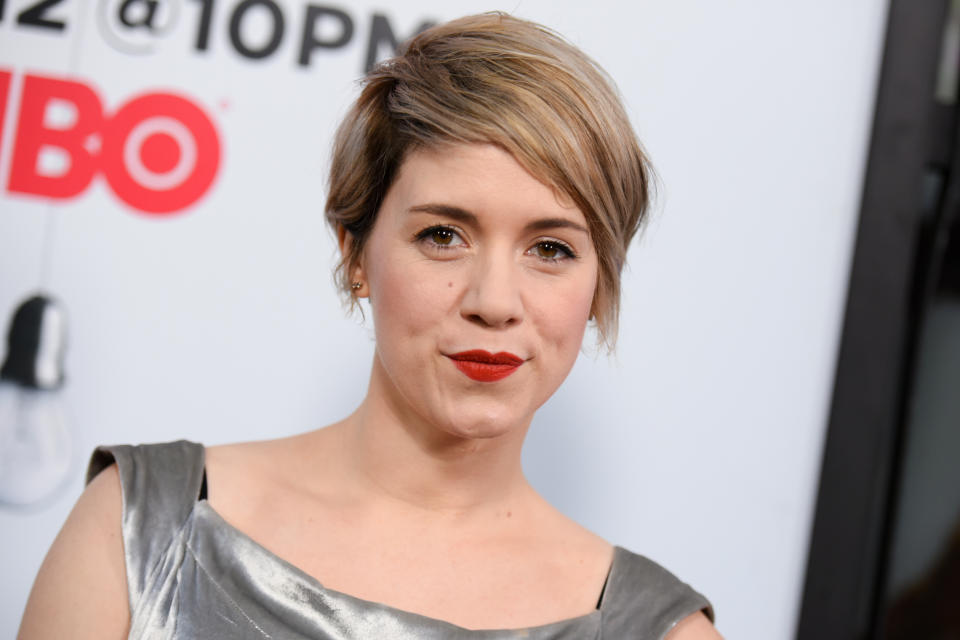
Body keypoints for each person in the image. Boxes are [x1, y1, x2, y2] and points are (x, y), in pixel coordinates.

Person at [18, 12, 721, 639]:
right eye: (444, 235)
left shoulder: (659, 630)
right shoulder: (140, 525)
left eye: (551, 249)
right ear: (356, 254)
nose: (495, 300)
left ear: (599, 288)